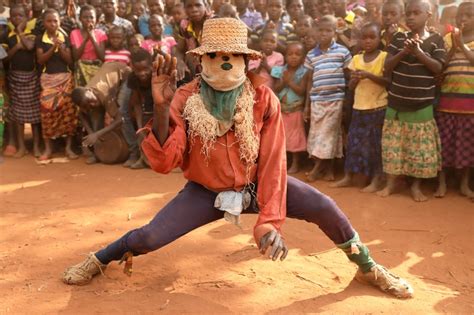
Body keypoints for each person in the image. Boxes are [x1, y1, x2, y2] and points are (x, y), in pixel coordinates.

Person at [62, 17, 413, 300]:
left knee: (324, 206)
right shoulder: (185, 97)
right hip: (205, 191)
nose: (224, 61)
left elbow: (274, 164)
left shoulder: (262, 98)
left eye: (233, 55)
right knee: (148, 238)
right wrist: (160, 104)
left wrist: (269, 223)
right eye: (214, 55)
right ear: (201, 60)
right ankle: (99, 259)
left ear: (246, 60)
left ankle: (368, 266)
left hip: (258, 184)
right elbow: (164, 161)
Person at [378, 0, 446, 202]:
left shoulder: (436, 40)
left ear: (429, 14)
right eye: (408, 13)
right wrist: (404, 52)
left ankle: (416, 186)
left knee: (418, 150)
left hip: (421, 104)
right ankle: (391, 184)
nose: (411, 17)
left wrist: (418, 52)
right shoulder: (399, 38)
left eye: (417, 13)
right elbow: (387, 67)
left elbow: (437, 68)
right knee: (393, 148)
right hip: (397, 104)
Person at [331, 22, 389, 192]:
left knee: (375, 146)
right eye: (364, 37)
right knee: (354, 144)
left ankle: (376, 179)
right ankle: (349, 176)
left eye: (372, 37)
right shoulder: (356, 58)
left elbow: (388, 82)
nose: (368, 41)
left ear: (380, 38)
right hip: (359, 107)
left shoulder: (384, 57)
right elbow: (350, 87)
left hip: (378, 107)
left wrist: (369, 75)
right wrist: (355, 80)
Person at [304, 15, 351, 182]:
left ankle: (317, 170)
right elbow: (310, 80)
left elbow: (348, 77)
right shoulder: (311, 55)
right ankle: (328, 169)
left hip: (336, 99)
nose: (324, 33)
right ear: (316, 32)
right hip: (317, 100)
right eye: (321, 30)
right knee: (319, 135)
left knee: (328, 133)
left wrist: (346, 102)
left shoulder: (343, 52)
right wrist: (306, 106)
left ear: (335, 32)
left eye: (328, 30)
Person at [435, 2, 474, 199]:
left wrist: (463, 46)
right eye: (461, 16)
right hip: (447, 101)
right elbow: (441, 65)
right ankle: (441, 182)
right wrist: (454, 46)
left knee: (466, 146)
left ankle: (464, 184)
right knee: (445, 144)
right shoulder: (448, 38)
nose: (464, 19)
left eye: (469, 16)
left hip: (470, 104)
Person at [36, 9, 78, 160]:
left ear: (59, 22)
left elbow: (70, 61)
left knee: (68, 114)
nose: (53, 24)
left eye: (55, 21)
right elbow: (40, 60)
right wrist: (53, 47)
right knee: (47, 114)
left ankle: (68, 148)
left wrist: (60, 47)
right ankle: (48, 149)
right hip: (48, 81)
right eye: (49, 21)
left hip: (66, 79)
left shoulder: (65, 38)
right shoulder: (40, 39)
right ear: (44, 23)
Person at [70, 61, 131, 164]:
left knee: (122, 109)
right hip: (108, 73)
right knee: (95, 117)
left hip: (126, 77)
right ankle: (97, 153)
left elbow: (120, 120)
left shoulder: (104, 93)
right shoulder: (85, 98)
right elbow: (81, 114)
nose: (91, 105)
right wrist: (91, 133)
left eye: (90, 101)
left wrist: (97, 134)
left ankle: (133, 152)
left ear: (89, 90)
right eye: (87, 105)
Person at [4, 4, 42, 158]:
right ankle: (21, 147)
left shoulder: (32, 33)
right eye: (14, 16)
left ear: (27, 16)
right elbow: (5, 59)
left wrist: (20, 31)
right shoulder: (8, 36)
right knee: (18, 116)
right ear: (10, 18)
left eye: (20, 15)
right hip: (15, 77)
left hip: (31, 77)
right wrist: (16, 47)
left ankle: (36, 146)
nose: (17, 18)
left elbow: (29, 46)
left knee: (34, 116)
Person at [273, 41, 308, 174]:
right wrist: (284, 81)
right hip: (282, 109)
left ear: (303, 57)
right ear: (285, 56)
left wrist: (289, 82)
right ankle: (283, 162)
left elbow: (301, 91)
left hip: (296, 109)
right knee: (282, 137)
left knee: (295, 138)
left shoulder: (304, 72)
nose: (293, 57)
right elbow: (275, 88)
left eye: (297, 54)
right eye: (290, 54)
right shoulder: (279, 70)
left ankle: (296, 163)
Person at [126, 48, 155, 169]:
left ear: (152, 66)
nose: (142, 73)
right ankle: (142, 158)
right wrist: (140, 127)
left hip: (164, 105)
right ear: (133, 68)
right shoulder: (133, 78)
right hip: (148, 106)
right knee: (142, 131)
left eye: (145, 69)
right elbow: (136, 103)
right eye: (138, 70)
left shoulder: (158, 74)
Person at [70, 5, 107, 87]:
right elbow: (76, 57)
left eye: (91, 17)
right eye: (85, 17)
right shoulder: (74, 33)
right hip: (81, 69)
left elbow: (102, 56)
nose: (89, 20)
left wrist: (92, 37)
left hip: (97, 69)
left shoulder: (100, 33)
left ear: (96, 19)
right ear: (80, 19)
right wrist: (86, 38)